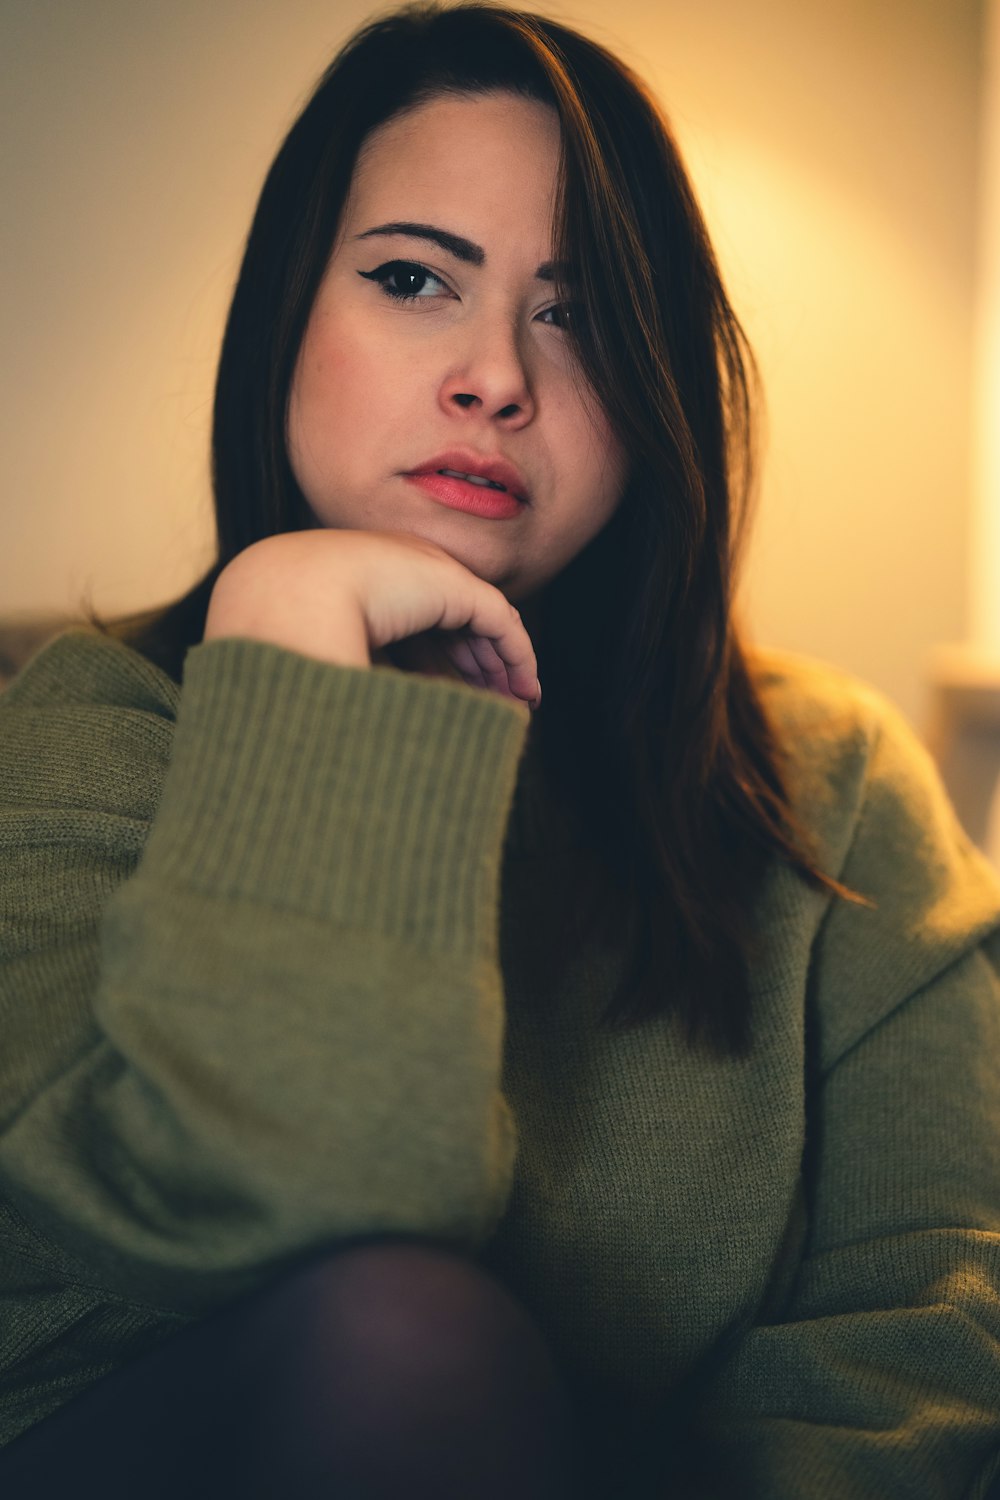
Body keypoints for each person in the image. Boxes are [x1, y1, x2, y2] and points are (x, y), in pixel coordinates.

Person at [0, 2, 998, 1496]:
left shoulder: (834, 783)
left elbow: (934, 1316)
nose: (493, 379)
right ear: (288, 315)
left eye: (576, 312)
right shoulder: (93, 725)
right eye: (412, 279)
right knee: (399, 1336)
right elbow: (289, 1221)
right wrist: (293, 662)